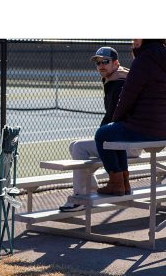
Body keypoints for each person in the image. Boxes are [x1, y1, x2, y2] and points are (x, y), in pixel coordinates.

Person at [60, 46, 141, 212]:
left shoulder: (118, 84)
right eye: (98, 62)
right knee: (74, 144)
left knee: (78, 147)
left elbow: (114, 117)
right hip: (130, 139)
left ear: (116, 63)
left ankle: (79, 199)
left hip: (128, 144)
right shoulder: (118, 78)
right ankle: (88, 191)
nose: (101, 65)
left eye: (105, 61)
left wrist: (101, 134)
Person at [95, 39, 166, 196]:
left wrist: (117, 119)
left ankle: (116, 183)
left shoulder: (144, 60)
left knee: (102, 134)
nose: (133, 41)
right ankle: (123, 182)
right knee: (115, 135)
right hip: (162, 129)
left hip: (144, 128)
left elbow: (128, 95)